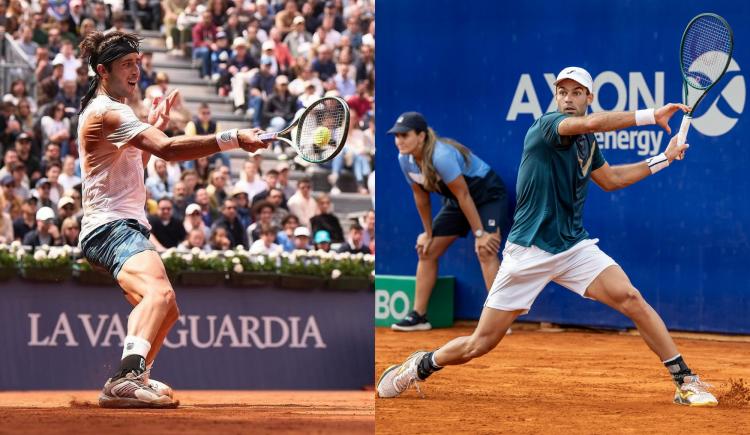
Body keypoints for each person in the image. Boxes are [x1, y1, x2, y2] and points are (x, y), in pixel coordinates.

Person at [376, 67, 718, 407]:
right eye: (562, 92)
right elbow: (592, 123)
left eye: (576, 93)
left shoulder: (587, 143)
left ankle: (685, 380)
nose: (568, 99)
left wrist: (664, 158)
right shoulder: (548, 126)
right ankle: (419, 366)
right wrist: (650, 115)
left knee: (631, 298)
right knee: (479, 344)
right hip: (529, 251)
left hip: (573, 246)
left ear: (589, 97)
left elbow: (612, 179)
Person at [75, 31, 265, 409]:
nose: (135, 71)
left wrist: (152, 123)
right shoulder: (106, 112)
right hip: (110, 228)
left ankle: (136, 374)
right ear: (102, 71)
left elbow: (140, 164)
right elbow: (166, 149)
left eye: (137, 64)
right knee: (157, 294)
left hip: (116, 226)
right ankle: (125, 378)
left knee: (167, 305)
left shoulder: (117, 113)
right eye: (126, 65)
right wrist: (233, 138)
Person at [385, 111, 509, 331]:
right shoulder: (404, 159)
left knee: (486, 250)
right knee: (427, 250)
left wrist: (480, 234)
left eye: (405, 135)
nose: (399, 141)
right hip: (457, 201)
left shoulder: (441, 155)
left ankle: (498, 320)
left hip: (487, 195)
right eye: (397, 136)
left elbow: (464, 195)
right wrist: (428, 233)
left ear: (421, 136)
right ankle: (419, 316)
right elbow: (421, 196)